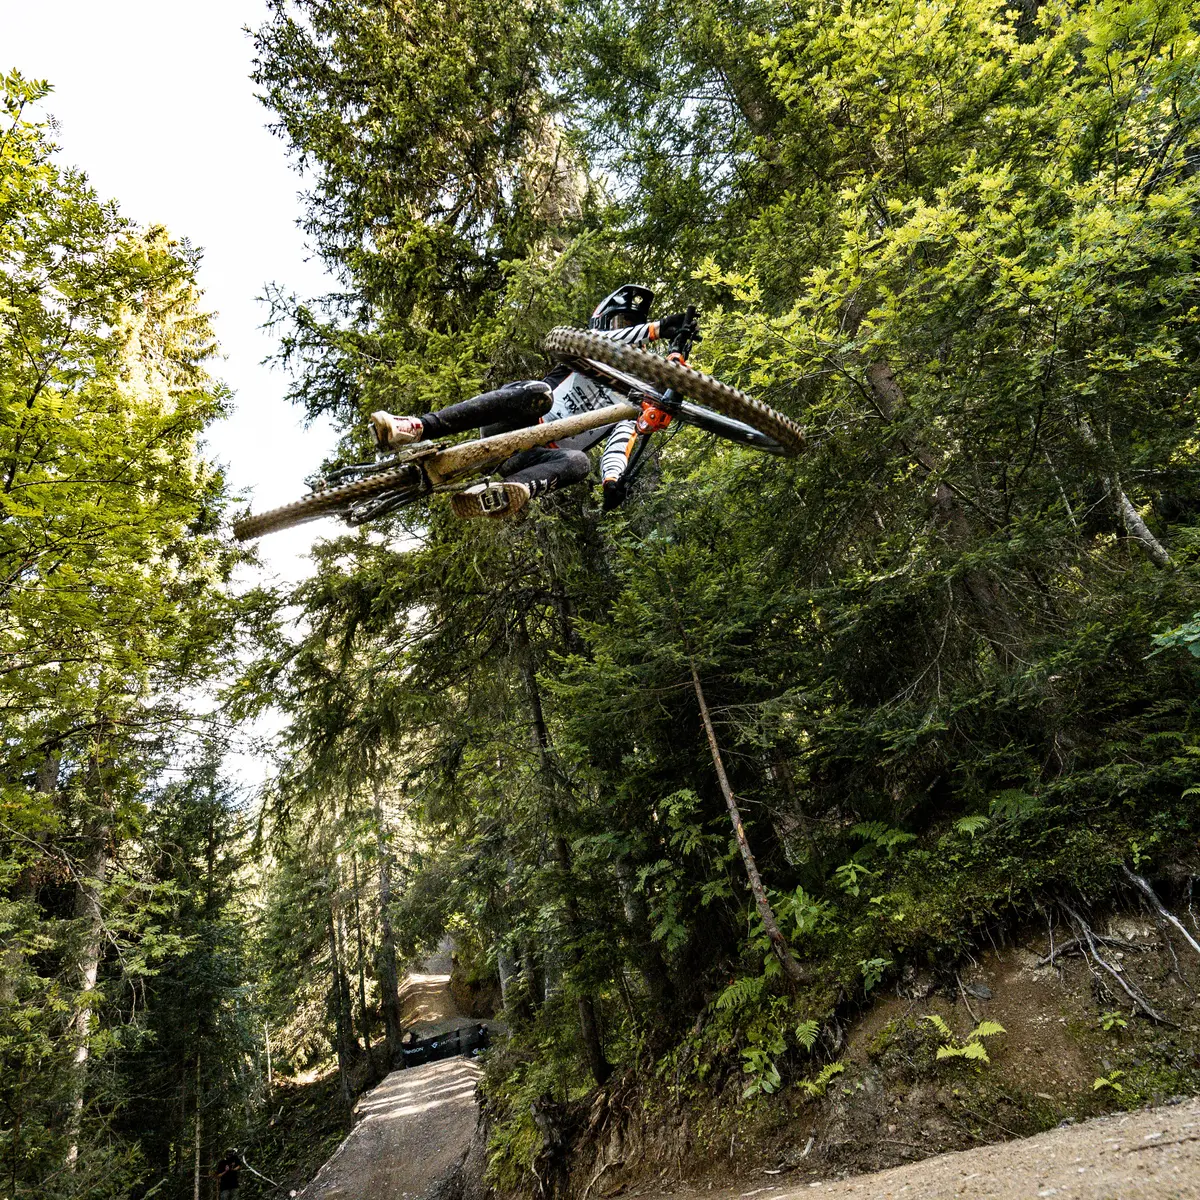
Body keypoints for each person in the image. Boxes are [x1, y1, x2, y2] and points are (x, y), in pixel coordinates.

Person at [368, 285, 690, 519]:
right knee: (538, 393)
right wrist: (657, 329)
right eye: (623, 326)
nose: (630, 336)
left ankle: (501, 493)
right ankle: (418, 426)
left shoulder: (631, 398)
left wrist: (611, 481)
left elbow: (620, 443)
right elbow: (602, 343)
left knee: (580, 462)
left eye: (632, 329)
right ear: (603, 324)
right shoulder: (585, 355)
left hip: (532, 459)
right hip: (516, 423)